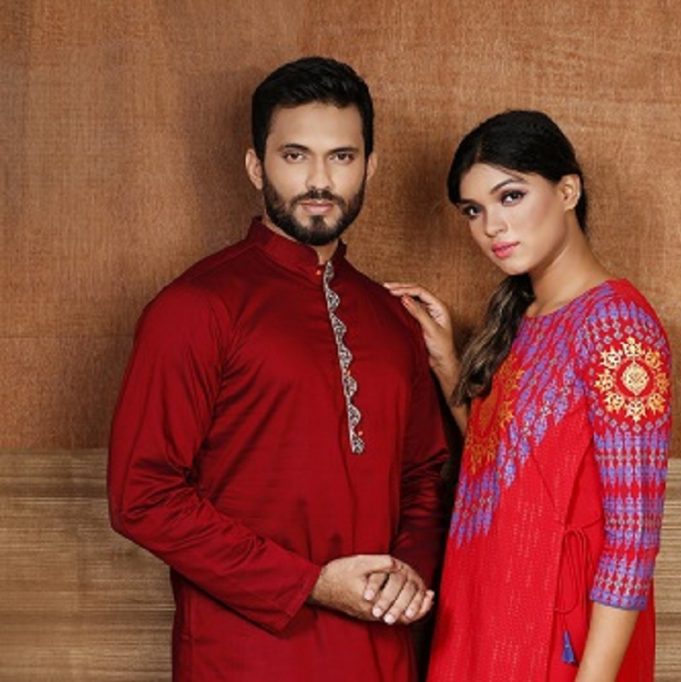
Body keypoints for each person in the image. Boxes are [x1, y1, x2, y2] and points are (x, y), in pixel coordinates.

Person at [107, 56, 448, 681]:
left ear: (370, 167)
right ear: (255, 165)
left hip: (381, 656)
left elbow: (424, 474)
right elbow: (143, 496)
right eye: (295, 156)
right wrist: (309, 583)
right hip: (244, 655)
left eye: (341, 157)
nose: (319, 180)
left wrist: (407, 572)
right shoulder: (196, 307)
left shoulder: (392, 319)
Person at [386, 110, 672, 681]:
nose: (491, 226)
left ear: (567, 191)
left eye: (510, 196)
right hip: (486, 604)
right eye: (473, 210)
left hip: (559, 631)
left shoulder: (619, 328)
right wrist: (448, 364)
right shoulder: (525, 316)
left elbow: (633, 537)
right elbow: (505, 464)